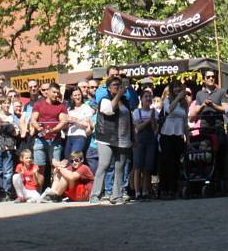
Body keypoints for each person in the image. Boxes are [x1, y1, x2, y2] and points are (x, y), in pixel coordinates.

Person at [90, 76, 132, 205]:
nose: (117, 87)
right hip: (106, 137)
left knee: (120, 167)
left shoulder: (125, 100)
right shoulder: (104, 99)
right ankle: (95, 195)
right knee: (104, 164)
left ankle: (117, 196)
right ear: (108, 88)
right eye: (114, 85)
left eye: (119, 85)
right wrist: (118, 95)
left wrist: (133, 137)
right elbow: (108, 110)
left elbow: (130, 119)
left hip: (123, 138)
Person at [30, 83, 68, 182]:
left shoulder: (61, 106)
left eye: (57, 93)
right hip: (40, 139)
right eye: (54, 92)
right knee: (40, 168)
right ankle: (38, 194)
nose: (56, 94)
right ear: (48, 92)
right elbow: (33, 119)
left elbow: (63, 122)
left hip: (55, 140)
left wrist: (53, 130)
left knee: (55, 168)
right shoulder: (38, 104)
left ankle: (54, 193)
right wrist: (38, 127)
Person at [159, 80, 188, 199]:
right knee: (167, 163)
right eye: (175, 87)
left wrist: (188, 138)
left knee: (177, 163)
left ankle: (174, 189)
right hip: (167, 135)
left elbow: (185, 122)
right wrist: (177, 99)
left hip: (179, 135)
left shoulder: (185, 103)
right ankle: (166, 189)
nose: (177, 89)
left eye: (178, 87)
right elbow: (168, 110)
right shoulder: (167, 100)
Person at [0, 97, 20, 199]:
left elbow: (17, 133)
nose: (7, 105)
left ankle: (7, 192)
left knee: (8, 171)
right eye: (4, 103)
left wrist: (11, 126)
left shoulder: (12, 117)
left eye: (8, 103)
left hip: (9, 146)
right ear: (1, 105)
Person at [132, 88, 158, 201]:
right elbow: (138, 127)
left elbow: (156, 128)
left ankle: (145, 191)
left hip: (150, 141)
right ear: (141, 99)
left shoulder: (155, 112)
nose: (148, 98)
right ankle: (137, 192)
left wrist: (153, 123)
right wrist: (149, 120)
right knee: (137, 167)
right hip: (140, 141)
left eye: (149, 96)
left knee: (148, 167)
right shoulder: (137, 112)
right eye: (145, 96)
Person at [64, 86, 92, 160]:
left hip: (80, 136)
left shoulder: (86, 107)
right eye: (75, 95)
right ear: (71, 97)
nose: (77, 97)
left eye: (79, 95)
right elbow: (66, 126)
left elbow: (88, 124)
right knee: (67, 158)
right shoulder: (69, 109)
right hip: (69, 136)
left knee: (75, 158)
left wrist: (75, 120)